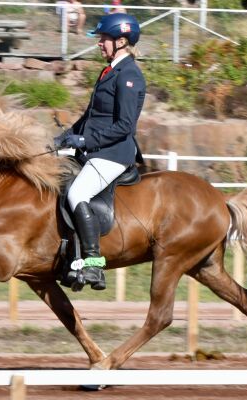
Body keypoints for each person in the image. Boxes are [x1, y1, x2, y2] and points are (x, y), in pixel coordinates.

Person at [54, 13, 145, 290]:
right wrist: (65, 137)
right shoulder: (109, 71)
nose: (99, 44)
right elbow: (91, 115)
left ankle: (93, 264)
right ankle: (70, 257)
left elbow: (124, 127)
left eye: (104, 39)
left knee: (76, 193)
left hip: (113, 153)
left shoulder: (130, 75)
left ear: (121, 41)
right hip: (95, 149)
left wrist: (85, 142)